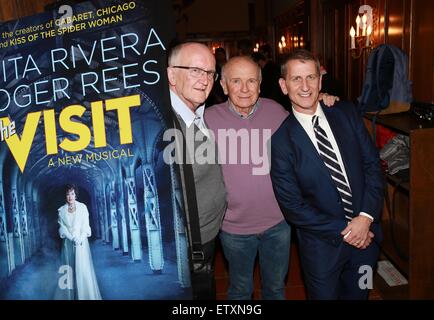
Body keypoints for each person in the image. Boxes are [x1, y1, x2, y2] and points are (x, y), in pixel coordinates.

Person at [205, 56, 339, 300]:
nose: (244, 89)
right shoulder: (207, 120)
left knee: (275, 289)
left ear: (260, 84)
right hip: (233, 227)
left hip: (278, 223)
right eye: (236, 81)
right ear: (223, 86)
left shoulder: (277, 112)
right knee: (239, 290)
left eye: (251, 81)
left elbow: (307, 120)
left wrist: (322, 101)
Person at [270, 49, 384, 299]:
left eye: (311, 77)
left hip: (367, 241)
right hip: (322, 250)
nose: (305, 86)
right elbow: (292, 206)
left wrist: (365, 218)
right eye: (296, 79)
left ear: (320, 81)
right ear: (283, 85)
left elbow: (372, 166)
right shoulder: (280, 142)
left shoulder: (347, 113)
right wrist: (349, 230)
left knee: (360, 294)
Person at [166, 42, 227, 300]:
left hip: (211, 234)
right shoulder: (164, 128)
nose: (205, 80)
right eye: (195, 70)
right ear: (171, 74)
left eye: (210, 73)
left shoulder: (202, 112)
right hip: (191, 243)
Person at [56, 184, 101, 300]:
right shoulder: (61, 210)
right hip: (68, 244)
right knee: (68, 271)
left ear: (75, 195)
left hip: (81, 244)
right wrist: (71, 238)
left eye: (72, 193)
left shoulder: (82, 208)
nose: (70, 196)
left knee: (82, 270)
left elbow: (86, 227)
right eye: (67, 194)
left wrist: (80, 238)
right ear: (65, 196)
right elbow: (62, 228)